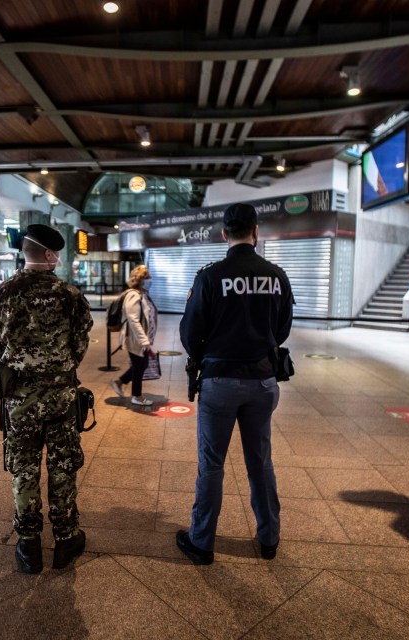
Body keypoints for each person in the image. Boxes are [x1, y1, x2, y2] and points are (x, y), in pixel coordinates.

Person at [177, 203, 293, 565]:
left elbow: (189, 333)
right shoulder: (276, 276)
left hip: (219, 382)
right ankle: (269, 538)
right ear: (256, 232)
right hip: (262, 382)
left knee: (211, 464)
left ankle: (202, 542)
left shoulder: (210, 277)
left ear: (224, 234)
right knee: (260, 461)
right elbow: (283, 329)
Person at [0, 223, 93, 574]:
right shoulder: (69, 294)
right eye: (57, 253)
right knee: (63, 466)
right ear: (48, 254)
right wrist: (58, 369)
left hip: (19, 398)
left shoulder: (2, 292)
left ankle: (28, 544)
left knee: (23, 466)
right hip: (60, 396)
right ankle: (66, 539)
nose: (58, 258)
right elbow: (79, 345)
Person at [110, 265, 158, 406]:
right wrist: (145, 343)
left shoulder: (142, 294)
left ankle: (119, 382)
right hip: (134, 339)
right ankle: (136, 396)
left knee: (141, 365)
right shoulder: (133, 295)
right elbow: (134, 321)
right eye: (147, 277)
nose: (150, 280)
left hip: (140, 338)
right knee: (140, 365)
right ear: (140, 280)